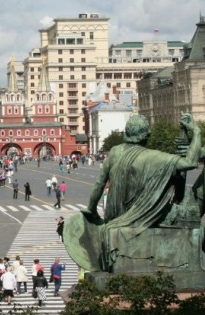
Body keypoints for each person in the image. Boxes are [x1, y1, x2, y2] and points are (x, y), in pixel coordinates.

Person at [65, 113, 202, 272]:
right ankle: (188, 266)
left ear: (126, 134)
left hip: (114, 216)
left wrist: (91, 209)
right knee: (191, 214)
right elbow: (190, 163)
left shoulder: (115, 152)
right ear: (147, 135)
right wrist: (196, 132)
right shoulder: (154, 157)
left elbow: (99, 183)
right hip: (140, 217)